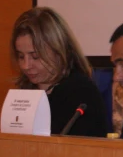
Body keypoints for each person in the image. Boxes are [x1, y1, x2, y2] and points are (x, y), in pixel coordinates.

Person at [11, 7, 108, 137]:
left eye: (35, 56)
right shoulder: (25, 93)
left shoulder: (81, 94)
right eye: (21, 56)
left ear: (59, 50)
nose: (26, 66)